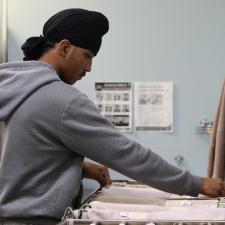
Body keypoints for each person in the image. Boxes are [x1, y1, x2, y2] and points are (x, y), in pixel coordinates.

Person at [0, 8, 224, 225]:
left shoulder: (8, 85)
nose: (89, 67)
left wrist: (78, 167)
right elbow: (127, 154)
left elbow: (18, 153)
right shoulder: (62, 100)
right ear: (65, 47)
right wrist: (196, 184)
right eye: (87, 55)